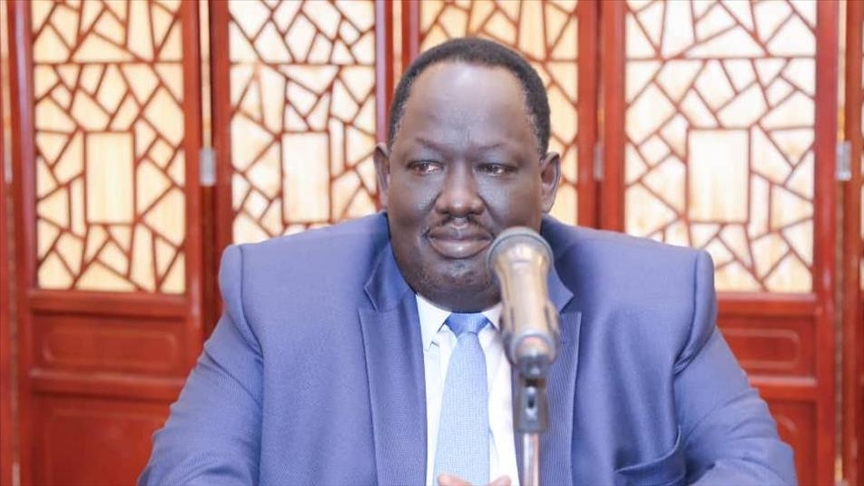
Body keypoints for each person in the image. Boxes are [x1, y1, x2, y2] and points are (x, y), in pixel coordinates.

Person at [139, 37, 796, 485]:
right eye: (425, 165)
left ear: (546, 181)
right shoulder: (278, 299)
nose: (458, 199)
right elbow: (185, 473)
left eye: (494, 168)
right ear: (384, 176)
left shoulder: (656, 302)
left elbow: (758, 467)